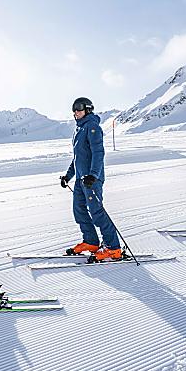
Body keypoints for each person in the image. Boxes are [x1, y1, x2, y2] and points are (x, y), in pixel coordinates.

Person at [60, 97, 122, 260]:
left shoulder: (92, 127)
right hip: (80, 180)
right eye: (74, 109)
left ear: (88, 109)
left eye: (79, 108)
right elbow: (78, 158)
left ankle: (114, 248)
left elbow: (98, 153)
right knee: (79, 210)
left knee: (96, 212)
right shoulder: (79, 129)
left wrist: (93, 175)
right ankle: (91, 242)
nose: (76, 112)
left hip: (91, 179)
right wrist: (68, 176)